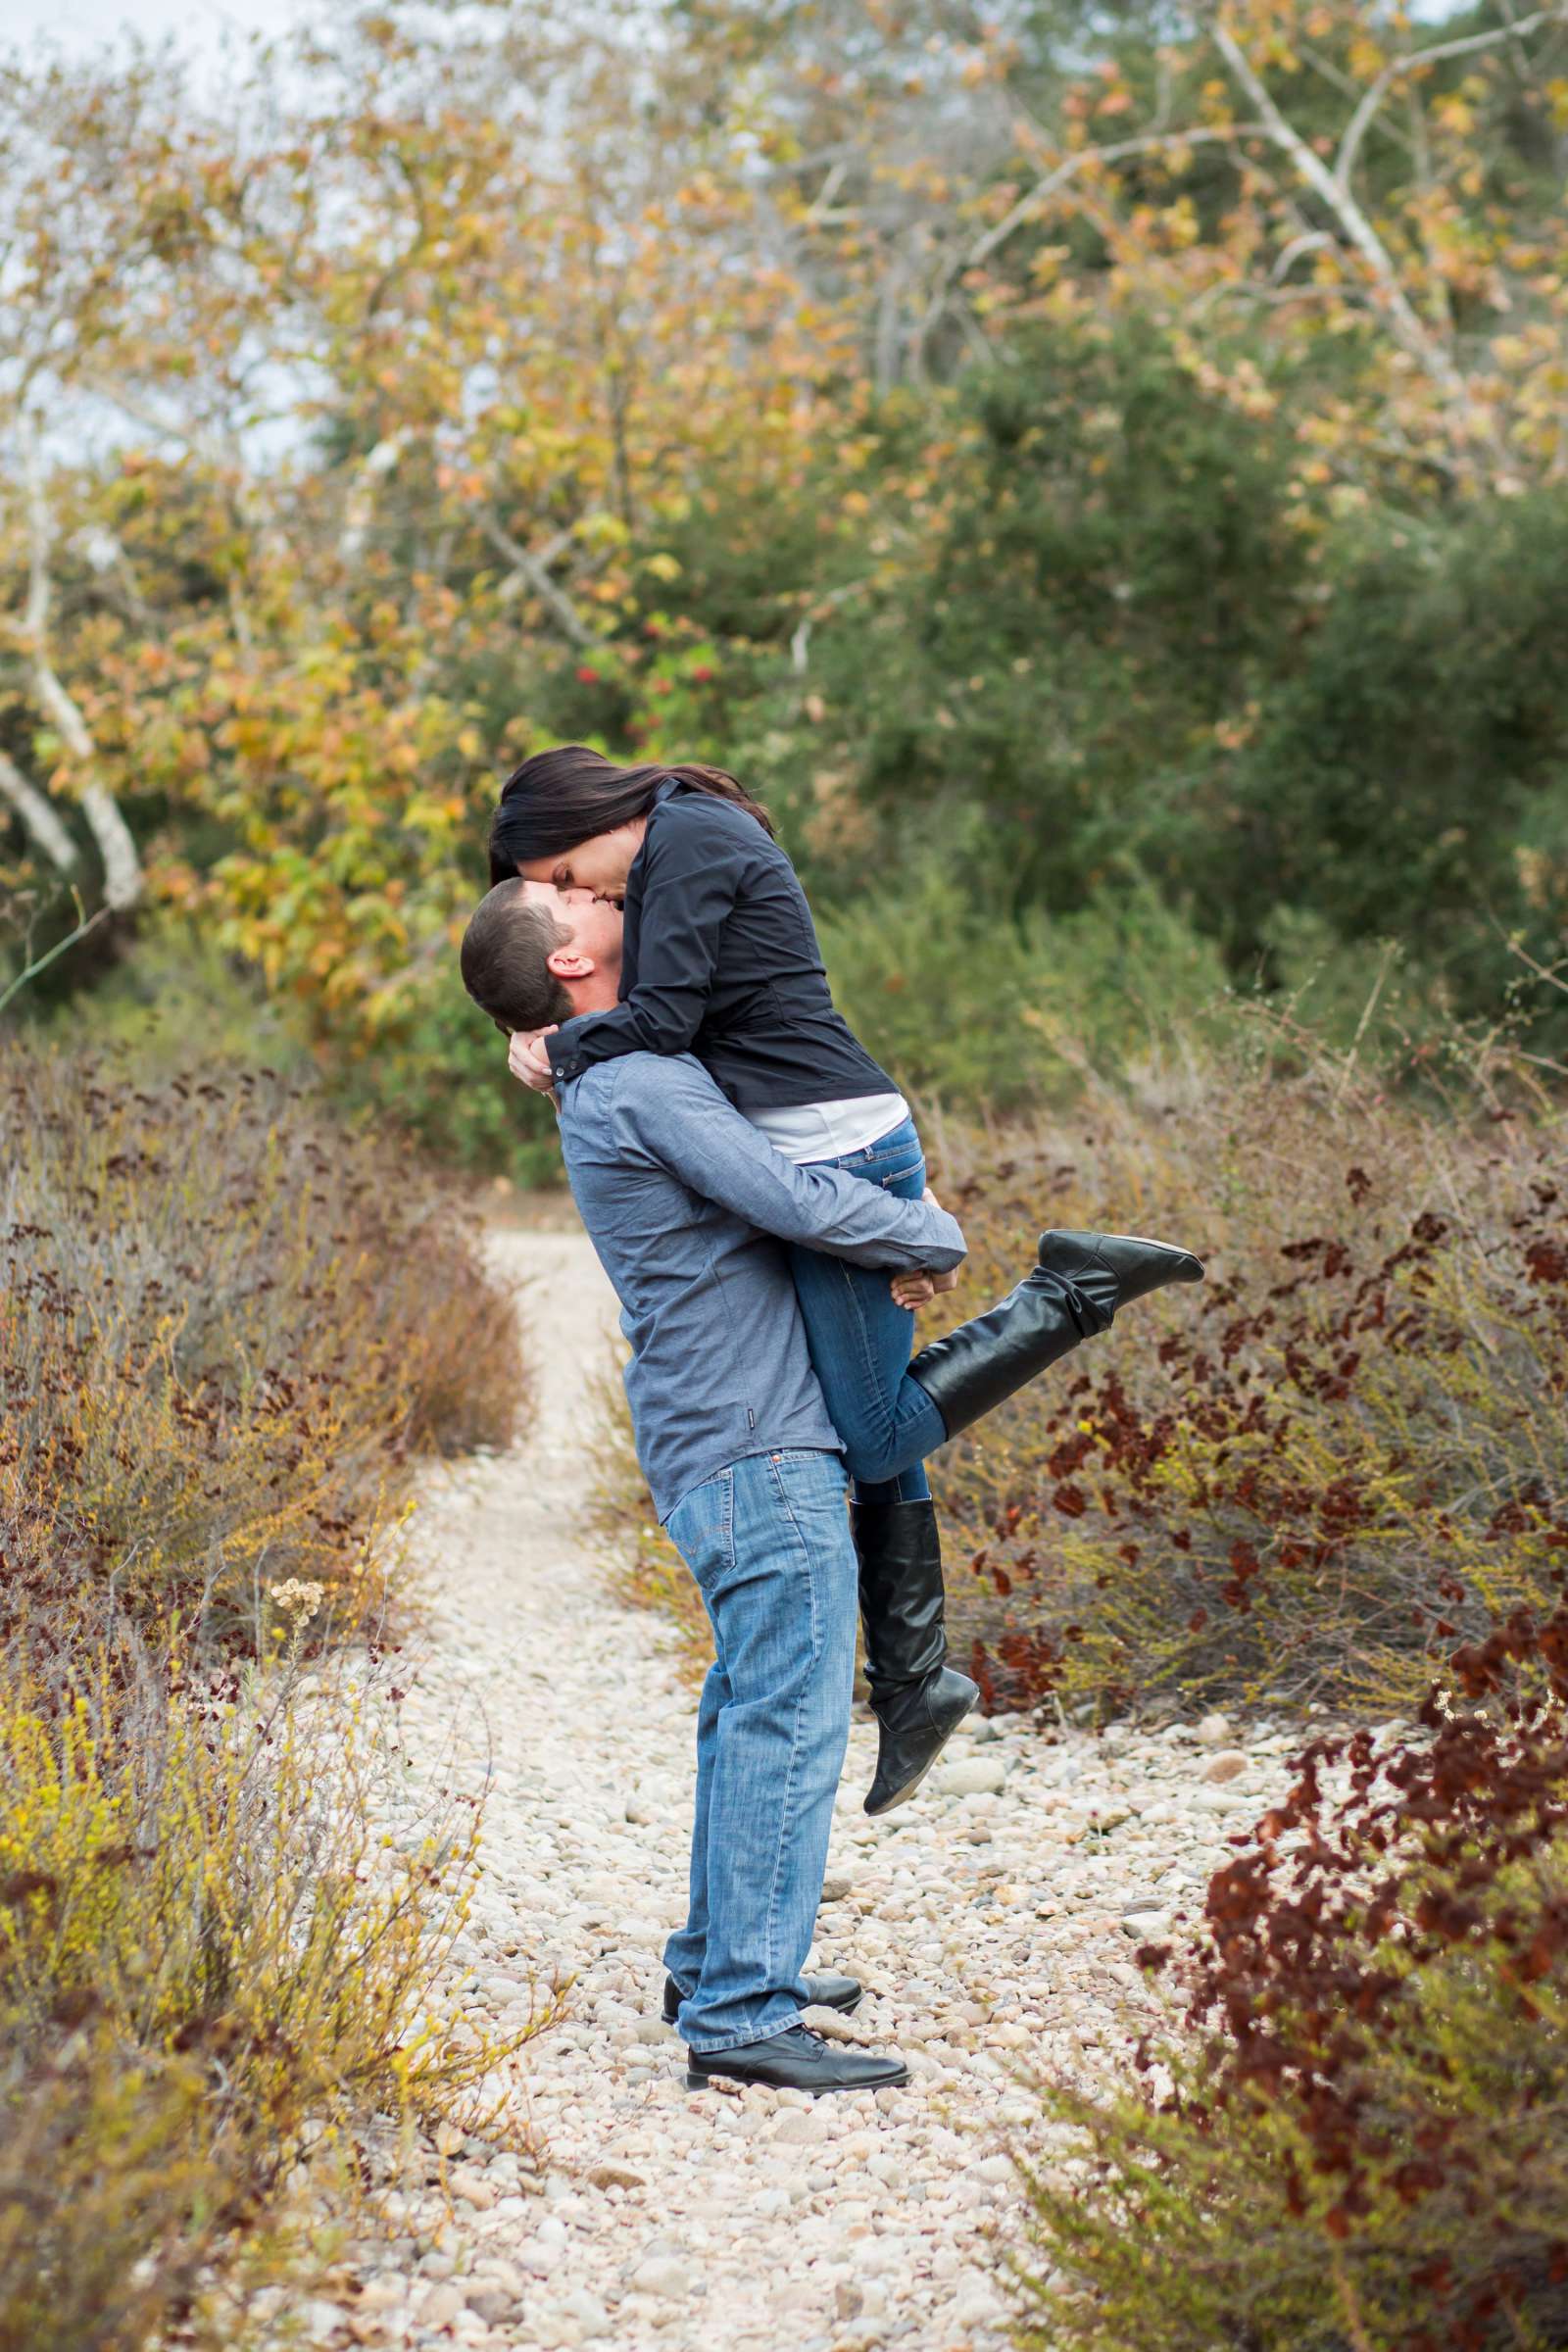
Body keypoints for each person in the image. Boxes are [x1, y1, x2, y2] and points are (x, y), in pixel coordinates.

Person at [458, 876, 1202, 2095]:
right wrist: (926, 1236)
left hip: (725, 1430)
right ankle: (742, 2011)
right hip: (752, 1440)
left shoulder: (616, 1065)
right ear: (573, 967)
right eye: (571, 898)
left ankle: (714, 1962)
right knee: (787, 1717)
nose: (602, 896)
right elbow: (786, 1194)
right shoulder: (643, 1081)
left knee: (748, 1700)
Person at [483, 747, 1043, 1818]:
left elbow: (665, 1024)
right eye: (554, 892)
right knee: (865, 1419)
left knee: (875, 1433)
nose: (567, 897)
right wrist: (528, 1017)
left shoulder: (688, 839)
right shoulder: (649, 866)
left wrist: (561, 1043)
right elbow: (572, 973)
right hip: (797, 1155)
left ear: (580, 819)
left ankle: (1064, 1298)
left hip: (833, 1150)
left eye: (556, 876)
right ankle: (916, 1682)